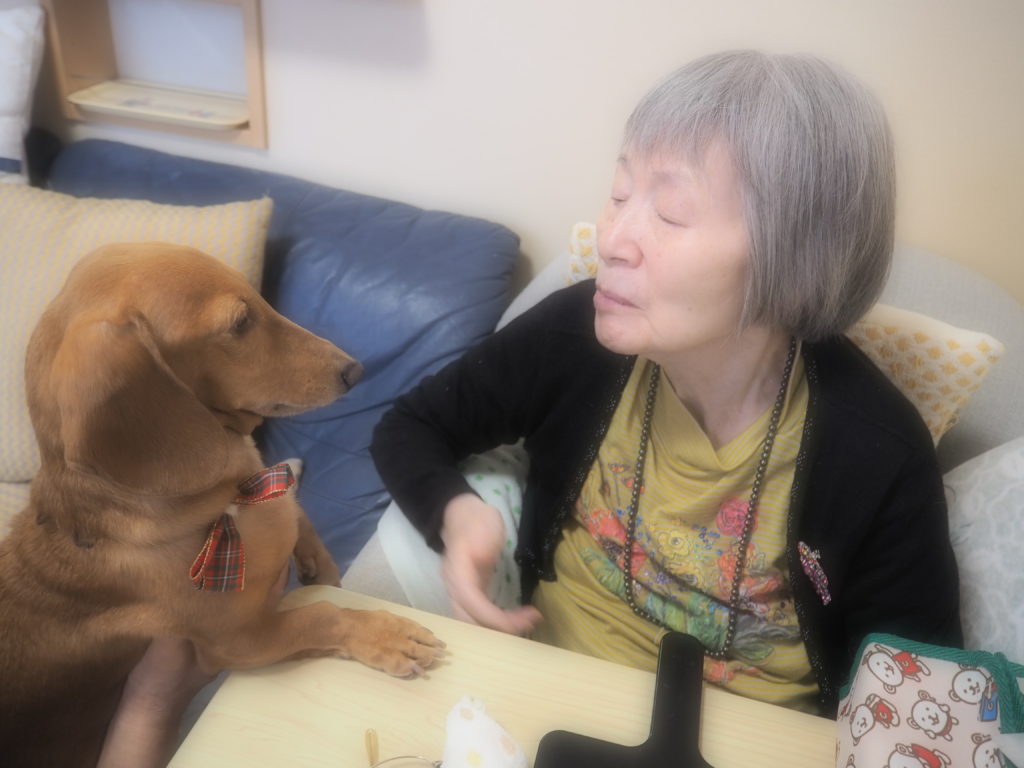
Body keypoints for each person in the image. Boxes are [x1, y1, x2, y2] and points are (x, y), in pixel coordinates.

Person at [369, 50, 962, 716]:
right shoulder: (576, 336)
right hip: (546, 698)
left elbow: (919, 696)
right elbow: (409, 426)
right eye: (620, 194)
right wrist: (458, 514)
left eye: (672, 213)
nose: (612, 238)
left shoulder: (877, 451)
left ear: (797, 258)